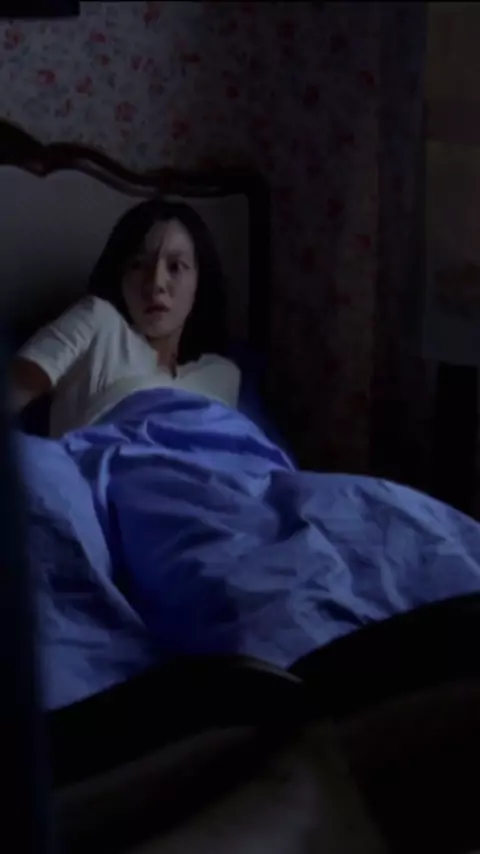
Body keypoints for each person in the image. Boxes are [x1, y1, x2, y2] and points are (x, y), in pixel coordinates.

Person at [10, 200, 240, 437]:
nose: (156, 284)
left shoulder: (221, 374)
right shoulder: (98, 320)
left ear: (200, 282)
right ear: (120, 275)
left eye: (175, 267)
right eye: (139, 265)